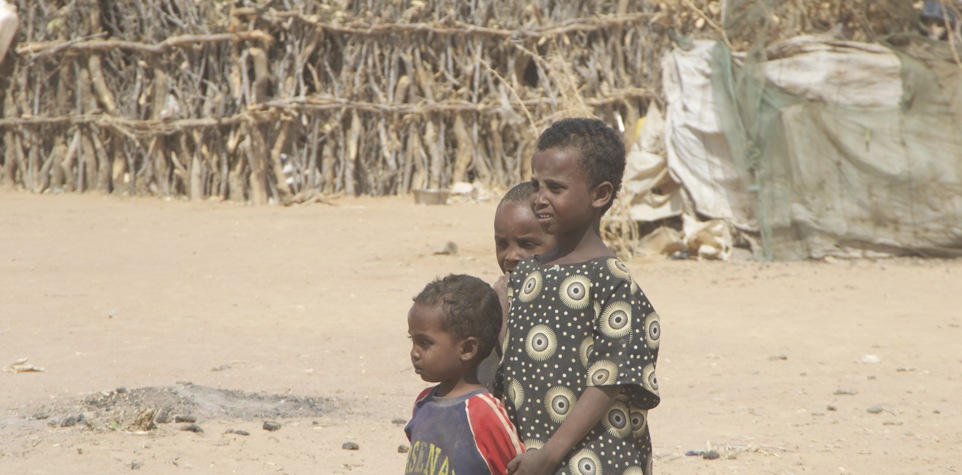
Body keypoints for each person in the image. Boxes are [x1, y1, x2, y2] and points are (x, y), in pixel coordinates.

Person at [499, 118, 661, 475]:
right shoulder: (527, 272)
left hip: (595, 459)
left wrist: (551, 454)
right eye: (535, 185)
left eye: (554, 188)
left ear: (600, 195)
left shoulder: (612, 281)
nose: (539, 199)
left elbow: (610, 379)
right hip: (530, 456)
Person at [404, 274, 525, 475]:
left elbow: (513, 467)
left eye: (425, 343)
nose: (414, 353)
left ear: (467, 349)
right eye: (412, 340)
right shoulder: (423, 403)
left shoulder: (482, 411)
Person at [478, 182, 557, 390]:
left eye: (528, 245)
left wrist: (503, 317)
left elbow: (530, 370)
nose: (511, 256)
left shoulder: (563, 301)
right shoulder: (497, 296)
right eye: (502, 244)